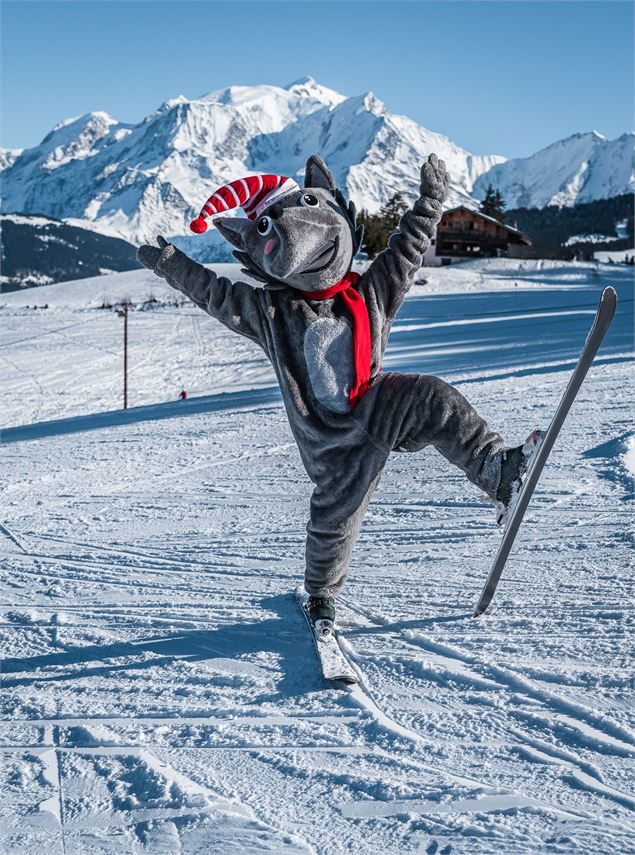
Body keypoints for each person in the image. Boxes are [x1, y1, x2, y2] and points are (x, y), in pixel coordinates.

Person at [137, 154, 542, 624]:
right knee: (334, 523)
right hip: (331, 443)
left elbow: (407, 251)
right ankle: (321, 596)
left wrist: (430, 203)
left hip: (378, 407)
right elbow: (216, 294)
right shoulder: (273, 314)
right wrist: (171, 263)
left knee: (434, 398)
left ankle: (499, 473)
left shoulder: (371, 293)